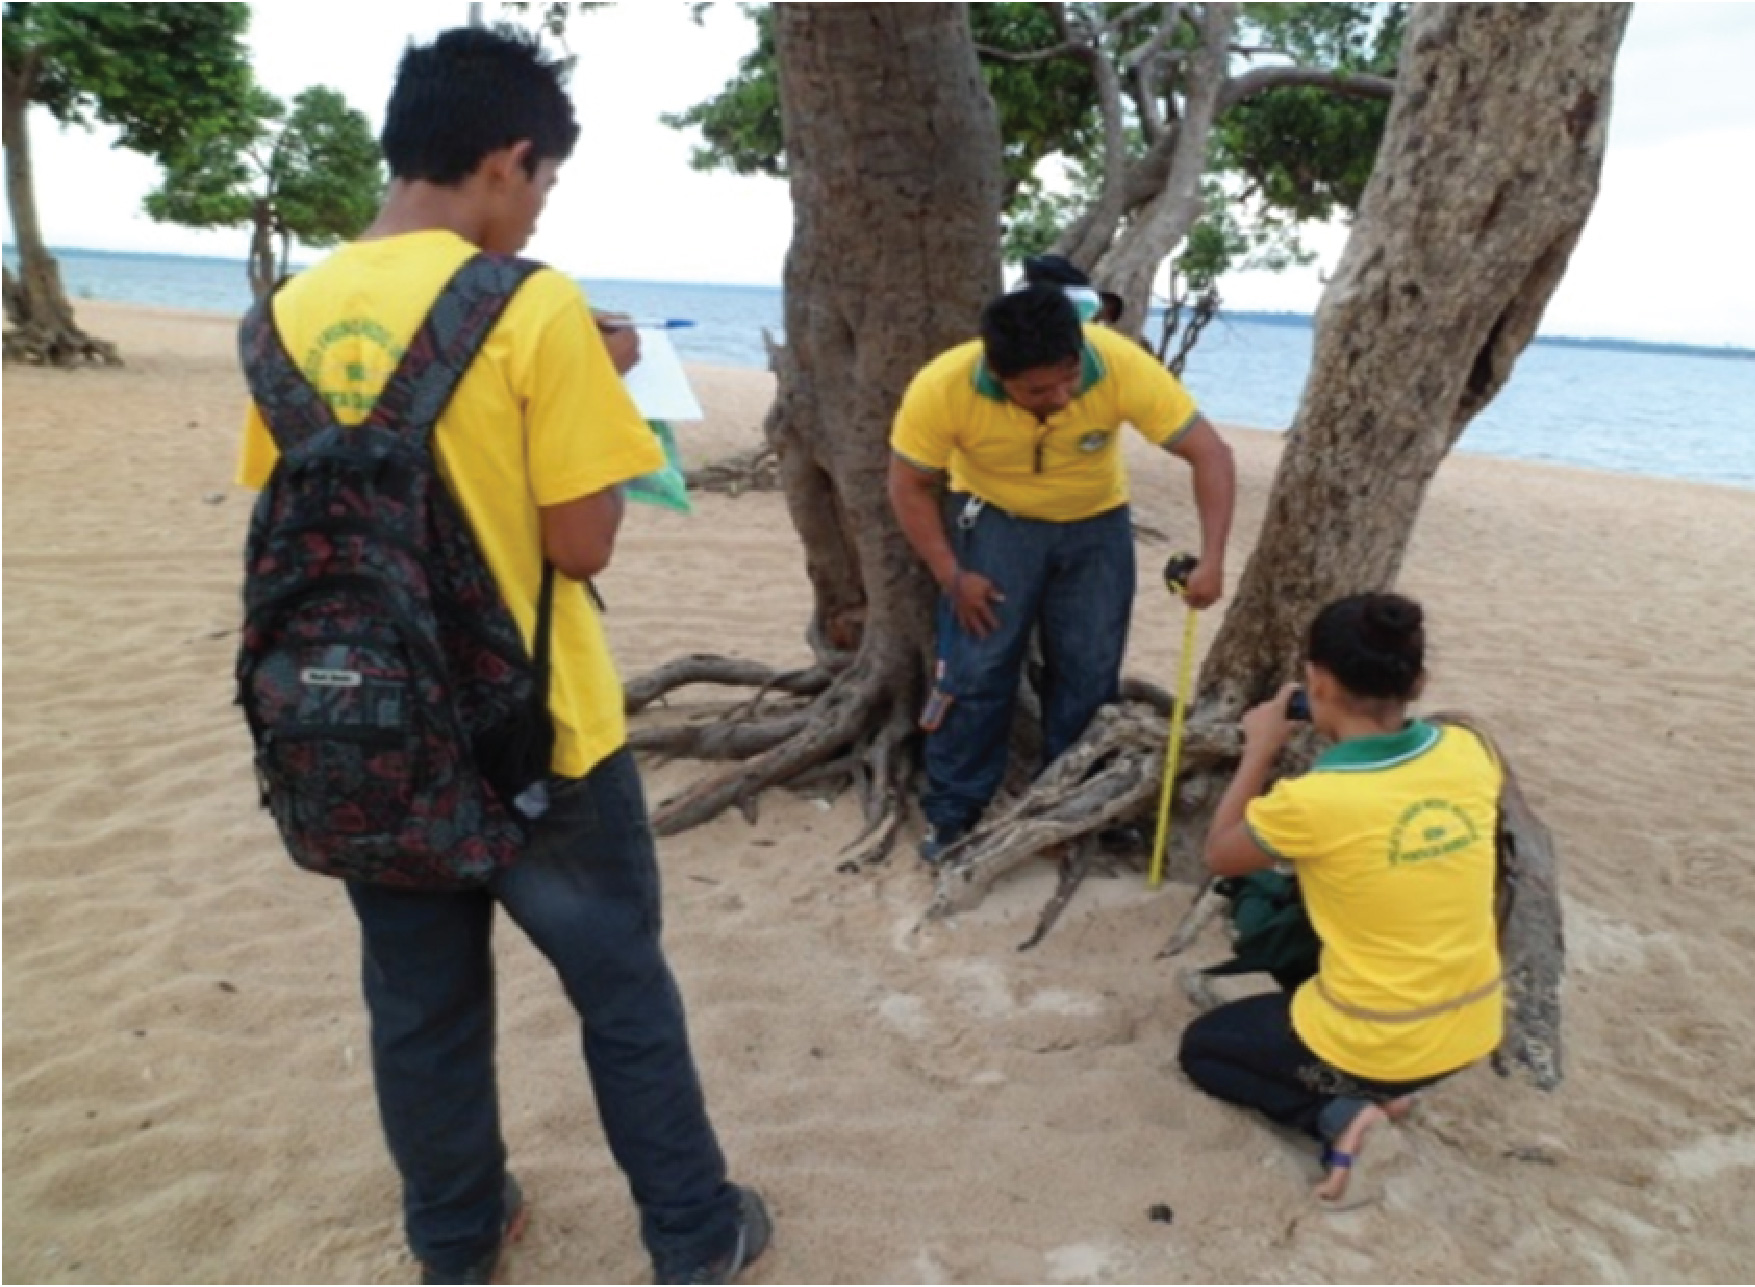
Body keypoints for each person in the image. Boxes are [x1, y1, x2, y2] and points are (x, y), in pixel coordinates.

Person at [234, 28, 768, 1285]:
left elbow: (295, 532)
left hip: (364, 735)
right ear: (505, 160)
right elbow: (580, 546)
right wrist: (610, 384)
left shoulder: (277, 321)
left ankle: (458, 1243)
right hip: (540, 736)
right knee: (621, 996)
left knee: (419, 1013)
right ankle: (694, 1238)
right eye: (540, 184)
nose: (532, 214)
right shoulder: (531, 307)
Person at [888, 283, 1237, 861]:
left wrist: (1214, 558)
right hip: (996, 522)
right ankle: (953, 811)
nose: (1063, 395)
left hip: (1096, 528)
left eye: (1069, 376)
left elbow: (1211, 454)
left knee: (1090, 672)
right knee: (977, 670)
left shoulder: (1117, 363)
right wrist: (952, 574)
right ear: (998, 375)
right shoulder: (945, 386)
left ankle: (1069, 807)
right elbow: (907, 484)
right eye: (1039, 390)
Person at [1179, 593, 1504, 1210]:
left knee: (1205, 1049)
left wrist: (1260, 749)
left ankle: (1344, 1113)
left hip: (1382, 1043)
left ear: (1316, 681)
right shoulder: (1471, 751)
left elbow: (1220, 854)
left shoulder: (1318, 800)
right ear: (1419, 681)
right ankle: (1393, 1089)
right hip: (1473, 1028)